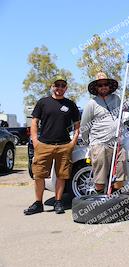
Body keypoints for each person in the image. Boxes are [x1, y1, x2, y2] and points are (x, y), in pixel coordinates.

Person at [24, 76, 80, 215]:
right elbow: (34, 122)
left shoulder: (70, 104)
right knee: (39, 175)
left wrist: (73, 142)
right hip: (44, 145)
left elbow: (77, 125)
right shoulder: (43, 102)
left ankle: (58, 202)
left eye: (62, 85)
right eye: (57, 85)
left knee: (62, 175)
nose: (59, 88)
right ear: (52, 86)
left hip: (64, 146)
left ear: (66, 88)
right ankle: (38, 203)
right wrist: (35, 140)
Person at [80, 72, 126, 194]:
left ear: (109, 86)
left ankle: (116, 205)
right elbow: (84, 126)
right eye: (100, 85)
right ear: (96, 88)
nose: (103, 87)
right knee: (100, 179)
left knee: (119, 176)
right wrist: (89, 144)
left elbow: (128, 106)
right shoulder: (92, 103)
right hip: (99, 144)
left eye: (105, 84)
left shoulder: (116, 99)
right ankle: (100, 205)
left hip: (117, 144)